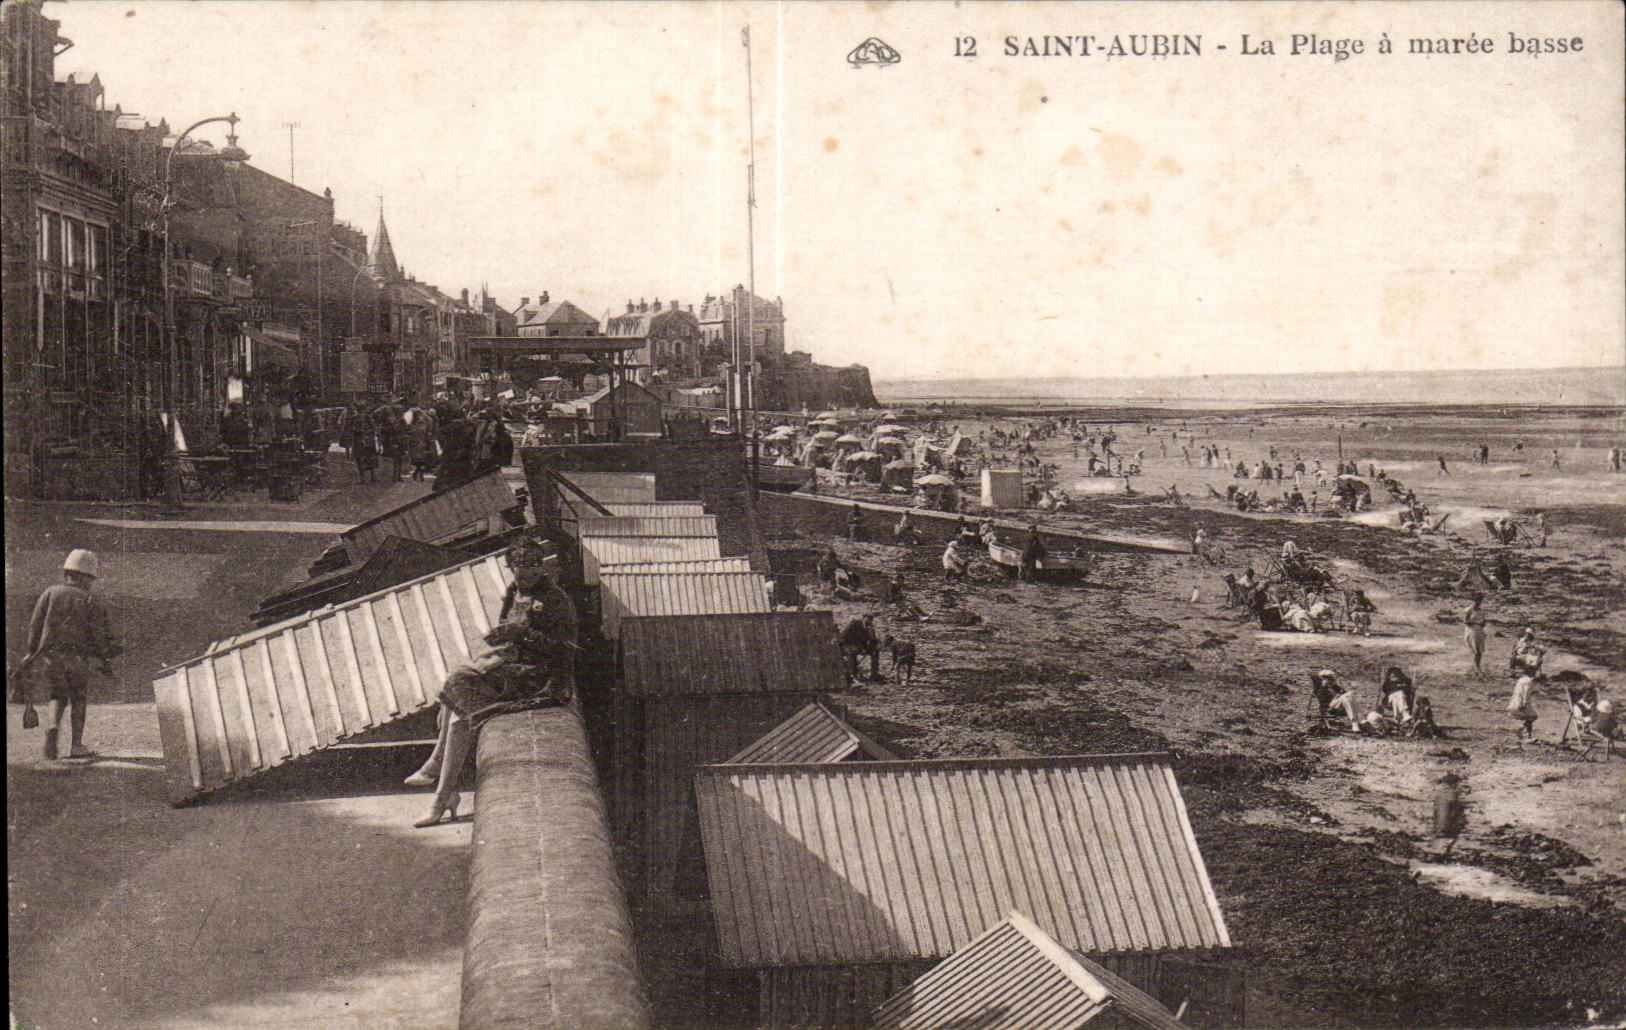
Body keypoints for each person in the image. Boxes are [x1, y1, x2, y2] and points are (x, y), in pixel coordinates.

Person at [404, 536, 577, 826]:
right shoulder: (514, 591)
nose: (528, 571)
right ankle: (441, 780)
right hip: (517, 665)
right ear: (511, 567)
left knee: (459, 711)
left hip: (541, 677)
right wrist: (503, 642)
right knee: (459, 678)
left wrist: (520, 636)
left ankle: (441, 792)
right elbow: (509, 630)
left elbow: (565, 649)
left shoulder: (554, 599)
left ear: (542, 567)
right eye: (521, 565)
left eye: (534, 565)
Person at [16, 550, 122, 760]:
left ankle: (53, 727)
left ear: (67, 574)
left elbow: (35, 625)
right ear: (86, 577)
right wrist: (103, 657)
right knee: (79, 699)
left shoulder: (50, 593)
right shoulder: (91, 599)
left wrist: (31, 652)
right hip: (78, 658)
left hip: (52, 657)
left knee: (57, 694)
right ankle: (76, 745)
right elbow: (98, 634)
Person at [840, 614, 882, 683]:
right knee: (853, 653)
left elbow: (870, 640)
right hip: (847, 645)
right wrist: (844, 646)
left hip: (860, 646)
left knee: (875, 652)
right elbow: (843, 635)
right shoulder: (854, 624)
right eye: (868, 619)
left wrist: (872, 643)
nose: (869, 621)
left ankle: (874, 674)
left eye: (871, 620)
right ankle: (853, 676)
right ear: (863, 618)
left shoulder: (869, 627)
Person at [1508, 668, 1541, 745]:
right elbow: (1526, 692)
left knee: (1529, 717)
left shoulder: (1521, 679)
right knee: (1533, 716)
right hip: (1522, 703)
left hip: (1515, 701)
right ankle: (1521, 729)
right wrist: (1524, 703)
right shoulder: (1529, 681)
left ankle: (1527, 735)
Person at [1461, 593, 1488, 675]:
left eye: (1480, 601)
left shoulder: (1481, 611)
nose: (1478, 603)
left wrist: (1482, 624)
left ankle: (1477, 667)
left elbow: (1484, 622)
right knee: (1475, 650)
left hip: (1479, 631)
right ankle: (1475, 667)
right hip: (1471, 630)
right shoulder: (1469, 610)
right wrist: (1476, 622)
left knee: (1480, 650)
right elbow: (1465, 621)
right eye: (1476, 601)